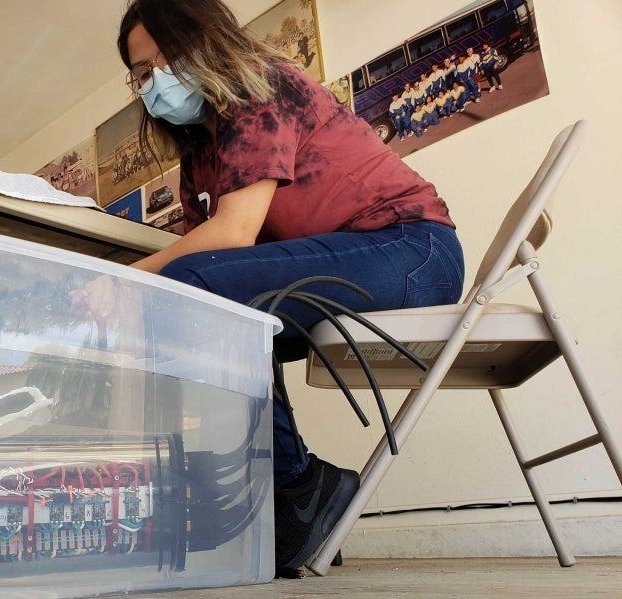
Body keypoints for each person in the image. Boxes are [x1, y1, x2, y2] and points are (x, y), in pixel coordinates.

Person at [85, 0, 465, 575]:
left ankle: (299, 486)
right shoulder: (199, 160)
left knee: (189, 291)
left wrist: (121, 279)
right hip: (355, 266)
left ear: (210, 42)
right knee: (194, 311)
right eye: (142, 72)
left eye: (170, 57)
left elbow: (230, 238)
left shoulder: (259, 88)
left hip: (412, 249)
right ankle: (284, 492)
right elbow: (218, 263)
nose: (156, 79)